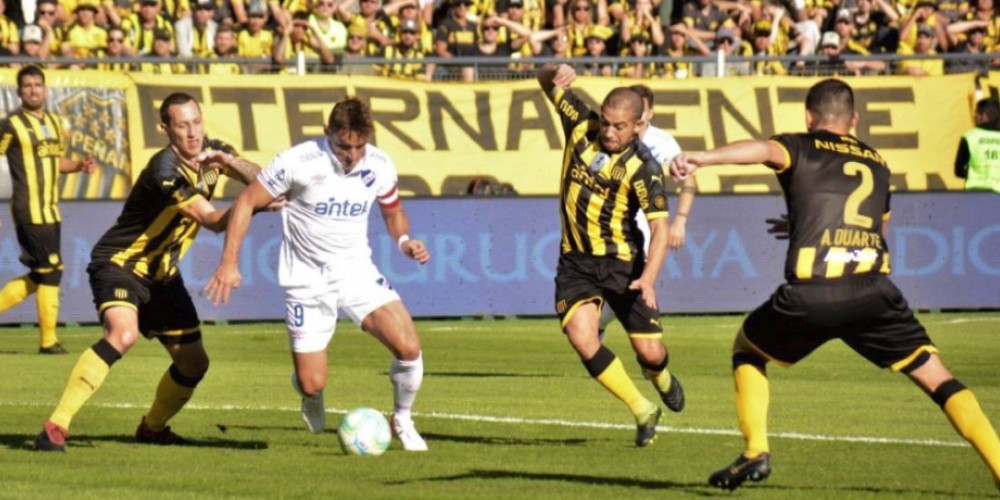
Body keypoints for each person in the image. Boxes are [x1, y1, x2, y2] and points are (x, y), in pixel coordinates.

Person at [669, 79, 1000, 491]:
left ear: (810, 117)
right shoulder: (877, 162)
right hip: (873, 291)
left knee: (747, 350)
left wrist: (703, 158)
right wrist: (807, 224)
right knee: (938, 378)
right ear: (854, 119)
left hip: (814, 292)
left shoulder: (799, 145)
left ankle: (755, 451)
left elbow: (762, 150)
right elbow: (876, 228)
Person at [33, 92, 263, 452]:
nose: (193, 133)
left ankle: (152, 428)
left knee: (194, 363)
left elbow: (266, 182)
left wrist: (232, 162)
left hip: (162, 275)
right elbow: (213, 220)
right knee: (123, 334)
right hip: (120, 264)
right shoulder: (164, 171)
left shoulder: (214, 153)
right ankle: (54, 428)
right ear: (165, 129)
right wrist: (252, 203)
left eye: (197, 122)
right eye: (182, 125)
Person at [204, 97, 432, 452]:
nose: (352, 155)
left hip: (356, 272)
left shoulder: (379, 164)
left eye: (360, 146)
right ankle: (309, 393)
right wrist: (228, 263)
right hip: (306, 281)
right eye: (344, 146)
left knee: (409, 347)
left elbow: (393, 211)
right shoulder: (298, 161)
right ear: (327, 133)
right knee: (311, 382)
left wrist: (404, 241)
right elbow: (247, 201)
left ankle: (402, 420)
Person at [537, 64, 685, 448]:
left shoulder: (645, 168)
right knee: (581, 336)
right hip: (576, 261)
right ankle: (642, 409)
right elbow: (543, 80)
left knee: (650, 353)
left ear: (637, 126)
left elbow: (660, 229)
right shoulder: (580, 124)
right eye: (606, 122)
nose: (609, 131)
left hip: (624, 265)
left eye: (619, 126)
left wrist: (648, 278)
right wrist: (553, 70)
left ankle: (660, 376)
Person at [0, 65, 95, 355]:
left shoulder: (54, 122)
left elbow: (57, 161)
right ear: (19, 91)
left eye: (37, 85)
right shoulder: (10, 125)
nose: (33, 90)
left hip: (51, 210)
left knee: (43, 274)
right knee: (52, 271)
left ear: (45, 89)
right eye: (27, 86)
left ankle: (48, 340)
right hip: (29, 209)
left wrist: (78, 165)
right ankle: (48, 341)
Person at [597, 83, 697, 339]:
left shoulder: (662, 143)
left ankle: (605, 331)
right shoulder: (607, 138)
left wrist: (680, 221)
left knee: (628, 286)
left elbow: (688, 182)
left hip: (642, 228)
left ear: (649, 113)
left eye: (641, 111)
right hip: (604, 223)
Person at [954, 97, 1000, 193]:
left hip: (975, 194)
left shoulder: (969, 137)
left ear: (983, 116)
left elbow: (958, 170)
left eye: (976, 113)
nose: (974, 116)